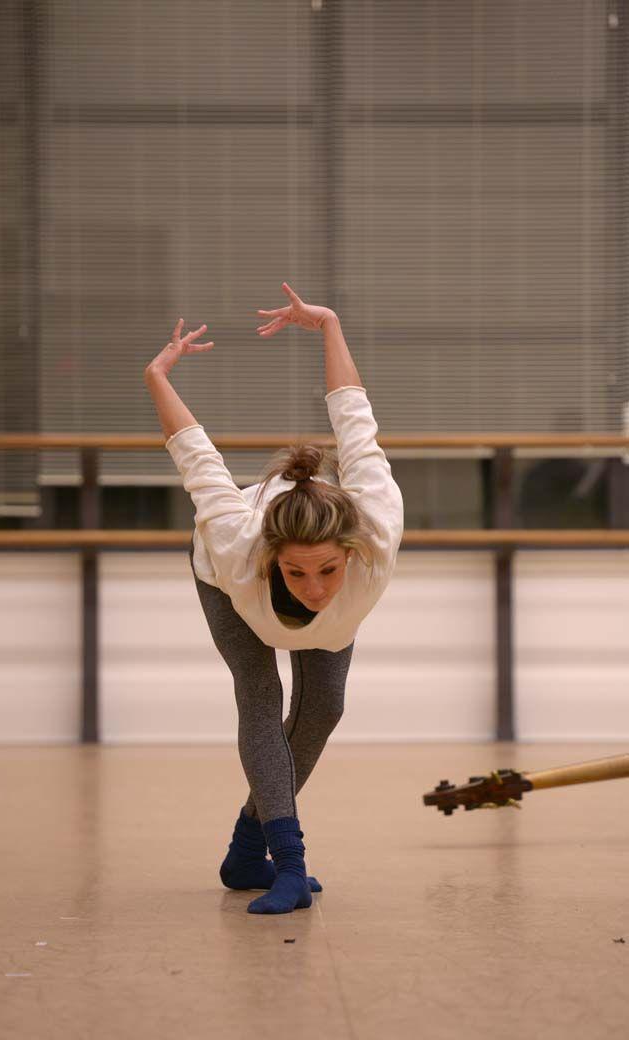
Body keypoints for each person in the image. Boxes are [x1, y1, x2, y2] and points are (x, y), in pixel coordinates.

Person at [144, 282, 404, 915]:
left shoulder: (375, 533)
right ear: (272, 561)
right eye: (297, 574)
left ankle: (244, 851)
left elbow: (356, 423)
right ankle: (286, 862)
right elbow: (197, 458)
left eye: (328, 572)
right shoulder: (236, 549)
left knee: (326, 706)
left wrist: (331, 325)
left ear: (352, 553)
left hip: (299, 568)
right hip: (225, 587)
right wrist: (156, 375)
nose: (315, 592)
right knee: (262, 699)